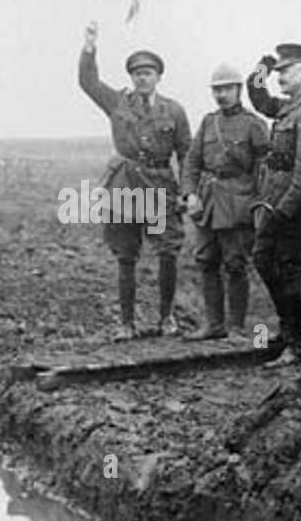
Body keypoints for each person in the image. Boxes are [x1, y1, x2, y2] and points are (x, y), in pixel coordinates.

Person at [78, 22, 191, 340]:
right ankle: (126, 324)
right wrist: (89, 47)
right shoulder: (117, 102)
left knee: (167, 251)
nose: (142, 77)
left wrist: (187, 191)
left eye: (148, 72)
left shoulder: (175, 111)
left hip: (159, 188)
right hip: (125, 186)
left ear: (158, 77)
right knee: (126, 254)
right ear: (131, 77)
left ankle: (167, 318)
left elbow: (187, 154)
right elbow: (88, 81)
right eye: (137, 73)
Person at [246, 44, 301, 367]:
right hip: (275, 205)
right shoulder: (289, 107)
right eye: (278, 71)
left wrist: (282, 212)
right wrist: (261, 68)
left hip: (295, 211)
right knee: (264, 261)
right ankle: (288, 332)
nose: (279, 76)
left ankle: (297, 344)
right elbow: (258, 98)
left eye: (286, 71)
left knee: (290, 273)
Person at [180, 64, 269, 342]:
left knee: (235, 264)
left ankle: (237, 328)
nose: (221, 95)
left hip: (238, 202)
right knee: (206, 260)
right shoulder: (208, 122)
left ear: (238, 90)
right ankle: (213, 325)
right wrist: (190, 193)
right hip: (207, 203)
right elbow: (192, 162)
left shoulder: (254, 124)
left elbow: (263, 169)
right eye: (217, 90)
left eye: (226, 89)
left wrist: (257, 203)